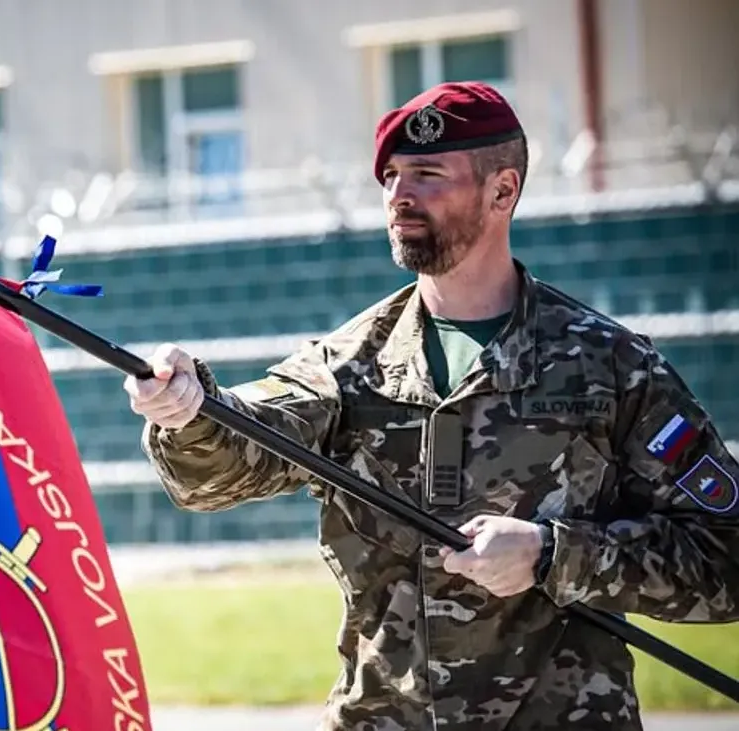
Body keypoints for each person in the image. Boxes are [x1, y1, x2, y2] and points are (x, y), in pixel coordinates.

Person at [123, 80, 739, 731]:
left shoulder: (611, 368)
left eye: (427, 175)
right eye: (390, 176)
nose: (398, 194)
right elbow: (227, 460)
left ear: (502, 190)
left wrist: (552, 554)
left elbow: (726, 554)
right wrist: (187, 411)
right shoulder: (350, 364)